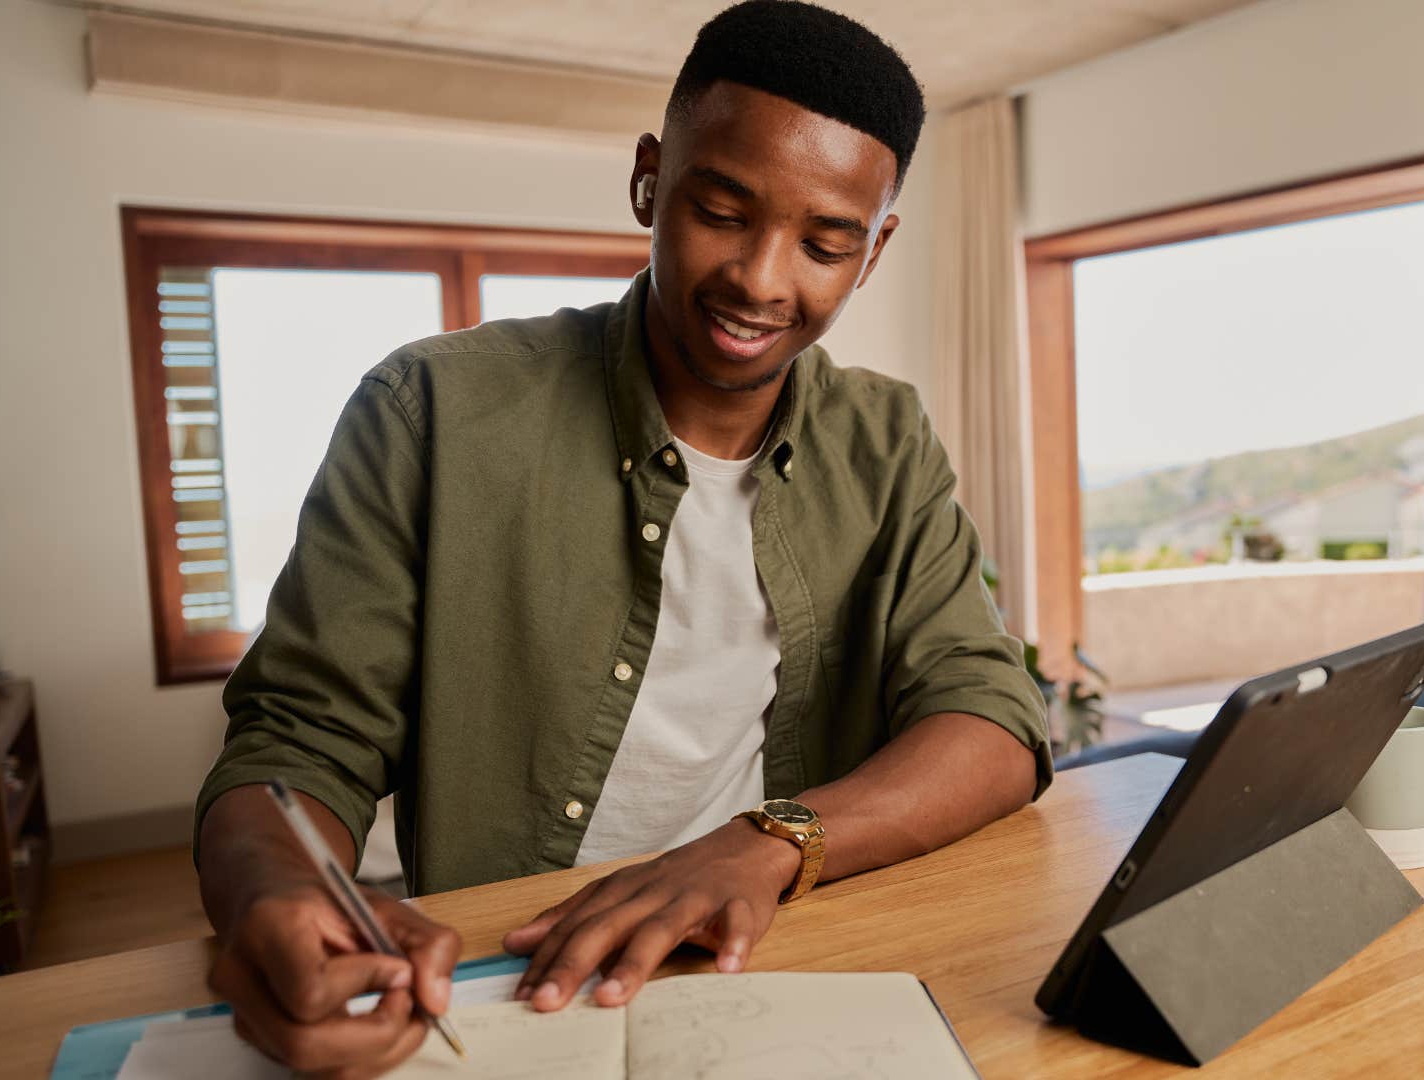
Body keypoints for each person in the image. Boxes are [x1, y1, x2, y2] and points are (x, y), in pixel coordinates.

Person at [191, 2, 1051, 1074]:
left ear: (873, 252)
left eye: (826, 243)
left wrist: (767, 843)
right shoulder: (431, 409)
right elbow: (296, 743)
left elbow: (993, 717)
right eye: (724, 210)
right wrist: (273, 892)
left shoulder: (886, 439)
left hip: (763, 958)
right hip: (509, 981)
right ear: (651, 178)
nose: (761, 278)